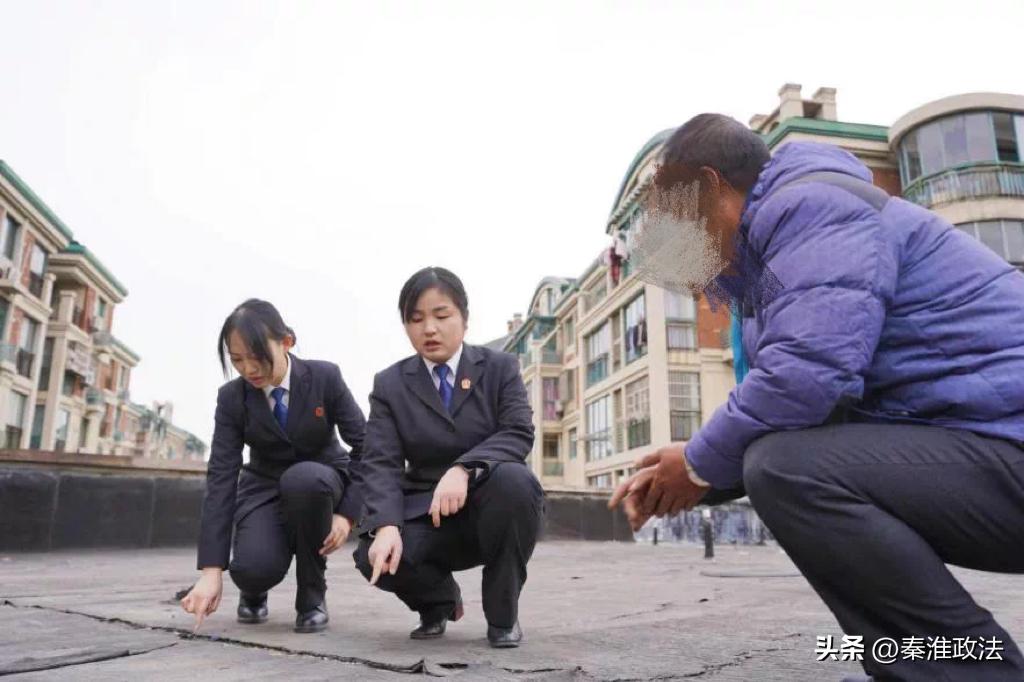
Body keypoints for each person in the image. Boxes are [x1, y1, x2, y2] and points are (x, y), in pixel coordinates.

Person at [610, 114, 1024, 682]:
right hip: (989, 448)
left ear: (711, 187)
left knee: (787, 470)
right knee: (781, 464)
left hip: (1008, 441)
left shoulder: (815, 208)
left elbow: (806, 377)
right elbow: (804, 413)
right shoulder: (770, 265)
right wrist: (687, 476)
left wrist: (701, 462)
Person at [353, 267, 543, 648]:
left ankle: (503, 615)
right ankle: (438, 602)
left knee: (515, 481)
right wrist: (386, 524)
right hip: (427, 514)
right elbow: (380, 461)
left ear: (464, 320)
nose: (429, 329)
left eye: (441, 316)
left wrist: (464, 469)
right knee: (372, 554)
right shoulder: (390, 384)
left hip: (493, 507)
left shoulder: (500, 368)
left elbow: (518, 432)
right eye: (416, 319)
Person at [180, 299, 366, 633]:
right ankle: (253, 590)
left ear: (286, 342)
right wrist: (211, 570)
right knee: (251, 569)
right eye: (237, 360)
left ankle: (312, 595)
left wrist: (347, 514)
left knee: (305, 480)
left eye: (257, 356)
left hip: (321, 480)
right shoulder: (232, 398)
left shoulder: (325, 377)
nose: (249, 369)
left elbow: (368, 446)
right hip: (264, 486)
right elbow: (222, 475)